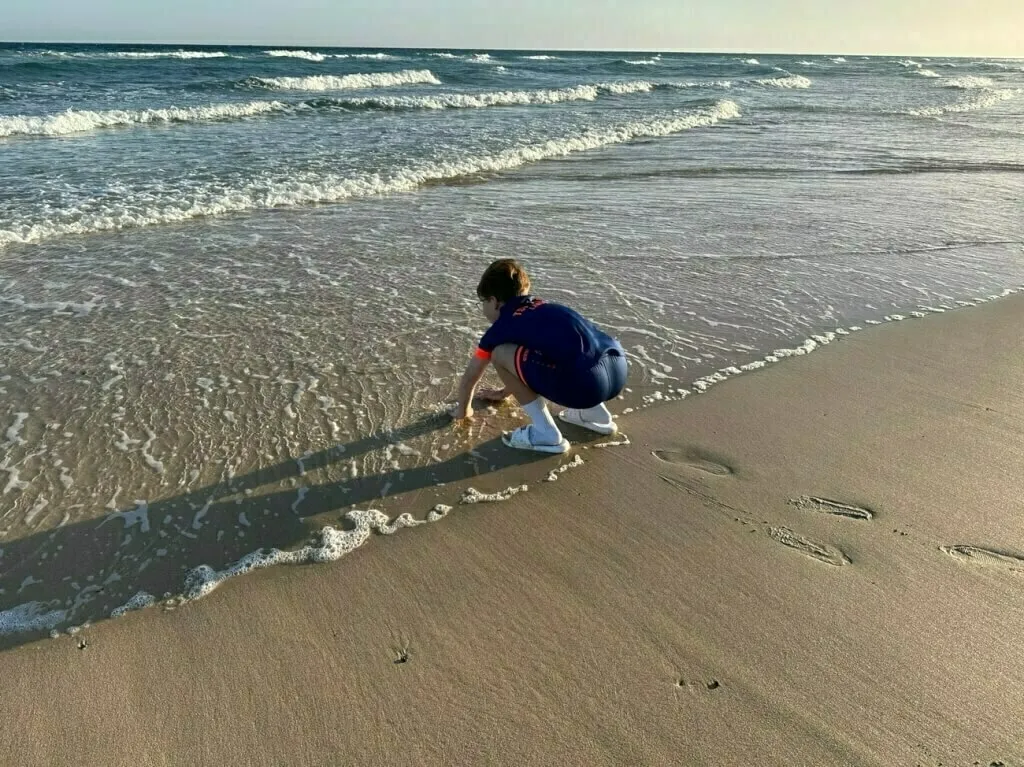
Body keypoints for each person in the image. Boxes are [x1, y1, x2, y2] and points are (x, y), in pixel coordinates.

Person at [450, 258, 628, 453]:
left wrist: (463, 411)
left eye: (483, 302)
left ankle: (546, 434)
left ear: (493, 301)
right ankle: (596, 415)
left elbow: (470, 376)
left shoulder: (501, 327)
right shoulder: (543, 308)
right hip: (617, 367)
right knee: (573, 355)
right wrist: (503, 393)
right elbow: (531, 363)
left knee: (499, 353)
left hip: (585, 386)